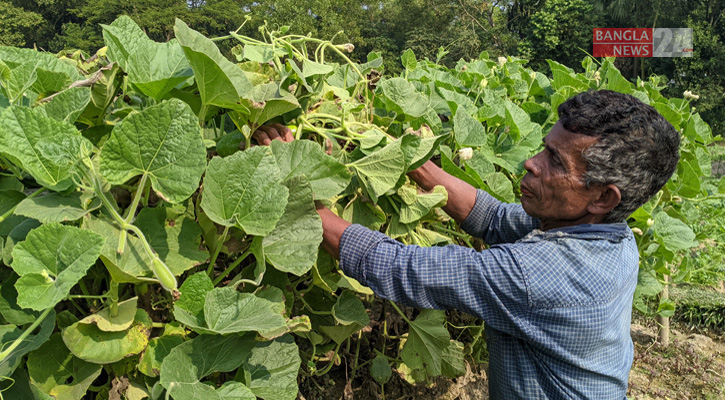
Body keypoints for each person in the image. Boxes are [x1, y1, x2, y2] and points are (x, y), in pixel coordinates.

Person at [252, 90, 681, 399]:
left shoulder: (545, 274)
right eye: (544, 148)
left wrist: (301, 193)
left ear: (604, 197)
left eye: (555, 161)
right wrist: (416, 164)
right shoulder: (609, 235)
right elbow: (493, 217)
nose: (530, 163)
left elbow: (403, 269)